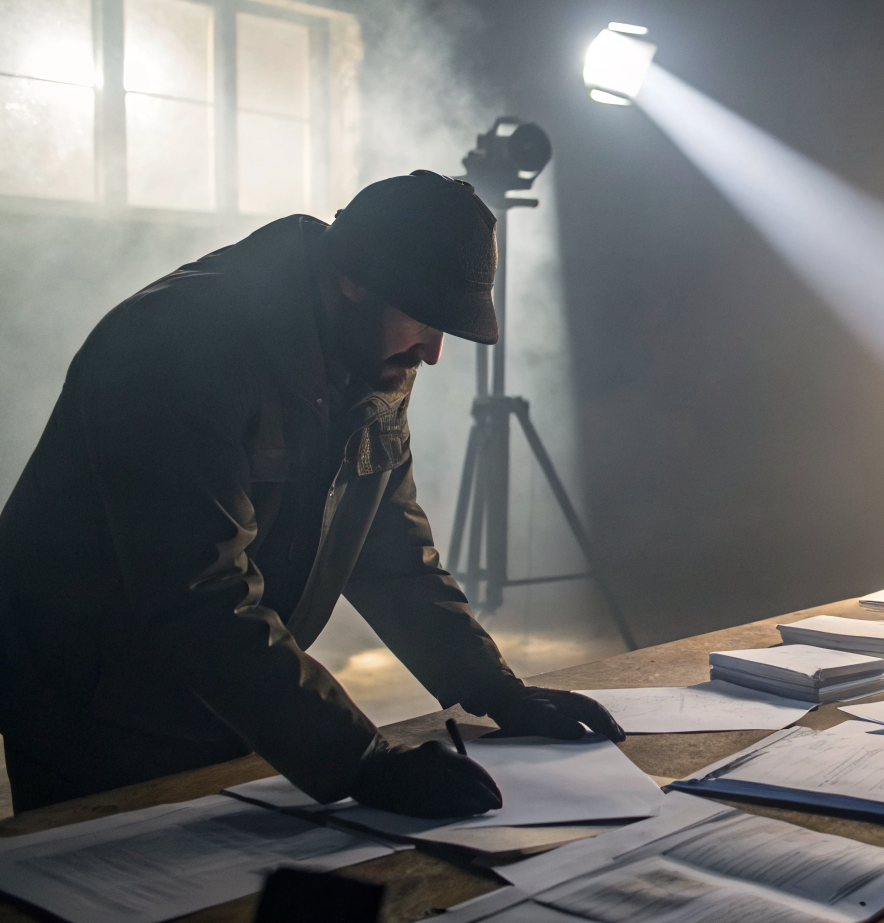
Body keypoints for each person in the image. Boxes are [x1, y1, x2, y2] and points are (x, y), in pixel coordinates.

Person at [0, 170, 623, 816]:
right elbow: (195, 593)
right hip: (91, 702)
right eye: (426, 322)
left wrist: (496, 690)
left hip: (228, 686)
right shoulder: (175, 347)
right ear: (355, 281)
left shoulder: (370, 352)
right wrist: (360, 760)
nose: (434, 354)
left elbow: (391, 551)